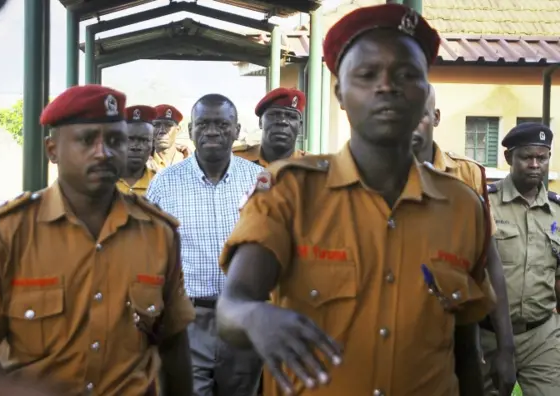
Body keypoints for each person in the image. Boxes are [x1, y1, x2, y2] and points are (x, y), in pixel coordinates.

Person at [216, 4, 496, 396]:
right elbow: (231, 307)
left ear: (426, 94)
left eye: (407, 74)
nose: (387, 86)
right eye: (367, 75)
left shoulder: (463, 206)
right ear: (340, 94)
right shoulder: (289, 192)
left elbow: (465, 344)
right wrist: (254, 316)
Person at [0, 84, 195, 396]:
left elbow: (174, 342)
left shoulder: (158, 234)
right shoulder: (9, 234)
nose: (103, 152)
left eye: (115, 140)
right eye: (86, 140)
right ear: (52, 150)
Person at [146, 94, 264, 396]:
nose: (213, 131)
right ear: (192, 130)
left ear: (236, 131)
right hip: (188, 322)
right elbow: (150, 252)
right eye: (204, 124)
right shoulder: (165, 183)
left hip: (243, 319)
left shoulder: (258, 181)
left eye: (222, 124)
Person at [412, 85, 516, 395]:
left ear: (436, 117)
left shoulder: (466, 175)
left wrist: (506, 348)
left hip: (459, 331)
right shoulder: (374, 176)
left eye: (420, 115)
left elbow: (489, 260)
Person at [483, 122, 560, 396]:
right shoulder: (485, 204)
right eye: (527, 157)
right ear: (509, 158)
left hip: (542, 336)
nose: (535, 164)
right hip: (488, 335)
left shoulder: (557, 211)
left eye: (542, 157)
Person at [233, 88, 306, 166]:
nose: (283, 121)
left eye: (291, 117)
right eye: (274, 114)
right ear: (260, 122)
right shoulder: (235, 161)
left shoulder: (313, 167)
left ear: (299, 126)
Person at [116, 105, 157, 196]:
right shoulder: (102, 181)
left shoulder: (160, 183)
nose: (136, 147)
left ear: (153, 144)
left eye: (144, 140)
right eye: (129, 139)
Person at [151, 104, 190, 171]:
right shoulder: (142, 165)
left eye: (168, 125)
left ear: (177, 129)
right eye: (156, 125)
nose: (162, 131)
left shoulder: (191, 163)